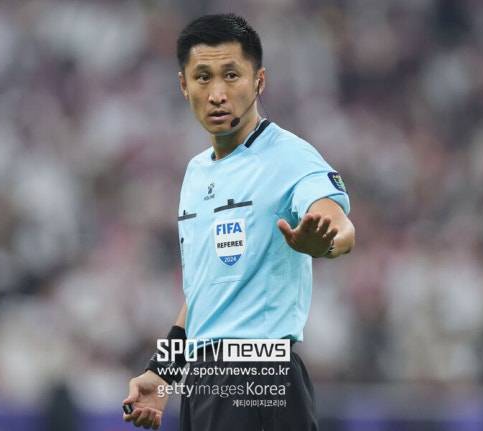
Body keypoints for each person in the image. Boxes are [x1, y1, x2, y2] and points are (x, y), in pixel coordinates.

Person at [123, 13, 355, 430]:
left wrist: (324, 242)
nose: (217, 94)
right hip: (203, 378)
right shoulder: (197, 172)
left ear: (259, 81)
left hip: (260, 372)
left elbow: (338, 223)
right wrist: (165, 369)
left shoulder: (290, 156)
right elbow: (205, 288)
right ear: (183, 85)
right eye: (203, 77)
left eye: (231, 75)